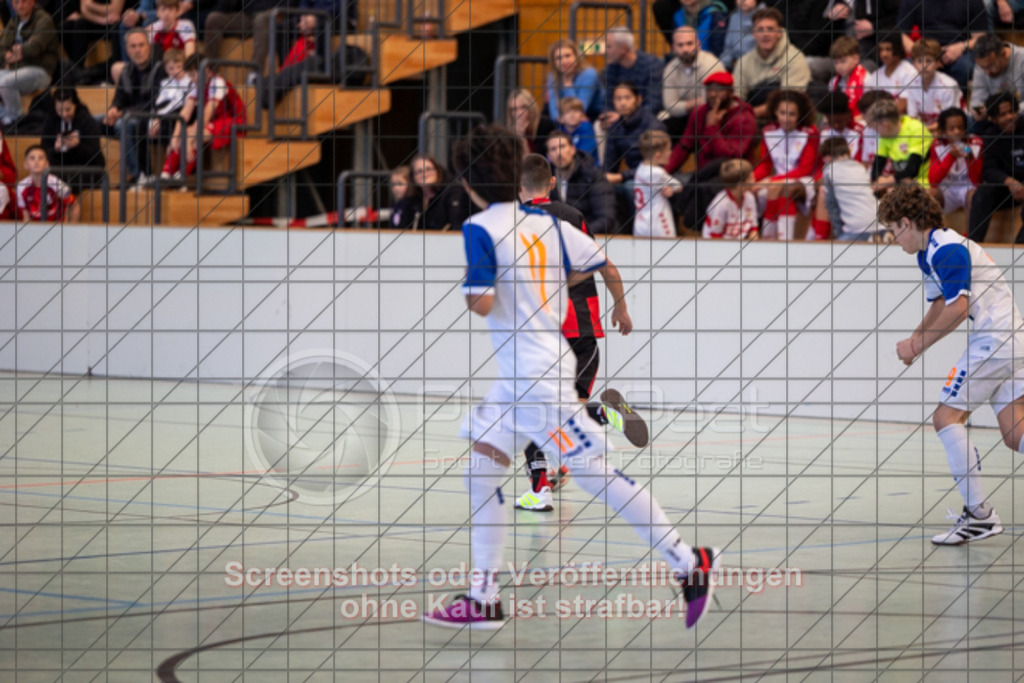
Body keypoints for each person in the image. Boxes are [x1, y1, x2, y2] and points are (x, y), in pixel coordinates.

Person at [421, 123, 720, 630]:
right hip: (528, 371)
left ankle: (688, 563)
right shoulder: (551, 226)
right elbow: (596, 264)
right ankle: (483, 595)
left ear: (468, 181)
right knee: (484, 467)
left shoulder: (480, 228)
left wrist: (478, 287)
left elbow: (483, 301)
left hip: (533, 377)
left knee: (591, 472)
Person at [881, 182, 1024, 545]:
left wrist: (918, 347)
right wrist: (915, 340)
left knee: (946, 418)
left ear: (908, 222)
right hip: (1012, 342)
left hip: (997, 342)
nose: (893, 239)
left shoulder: (947, 249)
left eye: (893, 229)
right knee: (1014, 432)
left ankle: (979, 516)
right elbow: (939, 305)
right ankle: (979, 516)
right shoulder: (928, 253)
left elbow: (958, 309)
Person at [513, 152, 649, 512]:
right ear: (553, 183)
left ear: (518, 186)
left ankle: (539, 490)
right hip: (585, 332)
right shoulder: (573, 217)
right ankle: (601, 418)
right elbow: (606, 267)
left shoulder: (514, 223)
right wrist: (620, 307)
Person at [664, 71, 759, 231]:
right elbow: (684, 145)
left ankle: (703, 232)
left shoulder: (744, 117)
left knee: (704, 188)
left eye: (719, 90)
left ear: (731, 92)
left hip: (734, 175)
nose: (713, 94)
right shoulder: (699, 113)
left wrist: (712, 127)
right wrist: (663, 173)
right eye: (709, 90)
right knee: (670, 186)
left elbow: (730, 156)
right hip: (704, 173)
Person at [160, 53, 246, 180]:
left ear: (205, 70)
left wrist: (190, 139)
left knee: (196, 135)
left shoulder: (218, 82)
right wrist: (175, 136)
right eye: (189, 75)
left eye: (193, 75)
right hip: (215, 120)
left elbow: (207, 113)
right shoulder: (197, 84)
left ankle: (182, 175)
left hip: (234, 121)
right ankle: (166, 173)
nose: (191, 79)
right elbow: (185, 113)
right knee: (183, 132)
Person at [752, 89, 820, 240]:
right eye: (782, 113)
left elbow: (805, 169)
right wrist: (750, 180)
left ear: (800, 114)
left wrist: (770, 181)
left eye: (792, 114)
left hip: (804, 180)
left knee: (783, 189)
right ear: (775, 112)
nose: (786, 118)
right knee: (751, 191)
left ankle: (785, 240)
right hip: (779, 179)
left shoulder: (810, 132)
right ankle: (764, 238)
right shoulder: (768, 131)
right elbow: (765, 165)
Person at [102, 27, 166, 184]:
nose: (138, 50)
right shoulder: (127, 71)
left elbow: (155, 101)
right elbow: (120, 97)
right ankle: (95, 178)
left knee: (125, 123)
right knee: (92, 121)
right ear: (127, 50)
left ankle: (139, 175)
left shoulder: (160, 69)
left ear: (149, 47)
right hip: (128, 116)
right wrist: (113, 109)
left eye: (141, 45)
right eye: (133, 46)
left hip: (151, 117)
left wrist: (123, 112)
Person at [732, 7, 811, 118]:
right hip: (749, 120)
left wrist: (749, 114)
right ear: (754, 34)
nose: (765, 34)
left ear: (779, 32)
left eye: (770, 29)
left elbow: (789, 102)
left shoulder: (795, 59)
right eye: (760, 29)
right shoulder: (744, 62)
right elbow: (737, 98)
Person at [967, 91, 1024, 243]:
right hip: (1008, 188)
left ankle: (1019, 249)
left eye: (1012, 112)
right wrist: (1009, 181)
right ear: (993, 119)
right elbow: (989, 170)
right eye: (1003, 114)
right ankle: (973, 246)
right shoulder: (990, 135)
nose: (1009, 117)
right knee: (982, 194)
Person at [896, 0, 987, 90]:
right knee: (905, 67)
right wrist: (920, 53)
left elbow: (980, 38)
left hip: (960, 51)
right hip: (926, 49)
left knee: (964, 67)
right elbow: (901, 34)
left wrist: (961, 47)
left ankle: (954, 102)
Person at [546, 131, 617, 235]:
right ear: (549, 156)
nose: (559, 153)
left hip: (593, 239)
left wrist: (577, 235)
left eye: (562, 146)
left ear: (573, 149)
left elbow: (606, 219)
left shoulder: (593, 176)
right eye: (553, 149)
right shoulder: (546, 180)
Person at [661, 26, 725, 141]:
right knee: (662, 127)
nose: (685, 49)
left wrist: (684, 105)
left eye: (689, 44)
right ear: (673, 48)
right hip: (684, 118)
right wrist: (694, 103)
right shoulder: (670, 68)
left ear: (698, 44)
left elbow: (710, 103)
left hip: (712, 116)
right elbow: (670, 106)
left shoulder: (710, 65)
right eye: (680, 45)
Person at [0, 0, 58, 126]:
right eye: (16, 2)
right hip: (17, 68)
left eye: (24, 2)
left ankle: (17, 120)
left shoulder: (44, 20)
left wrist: (19, 50)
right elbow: (2, 49)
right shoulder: (13, 22)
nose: (20, 5)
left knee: (5, 83)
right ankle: (4, 116)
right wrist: (9, 54)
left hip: (40, 70)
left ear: (32, 2)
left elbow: (35, 48)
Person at [817, 137, 881, 241]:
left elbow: (832, 206)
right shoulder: (860, 167)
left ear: (828, 158)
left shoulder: (829, 171)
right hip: (881, 224)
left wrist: (839, 233)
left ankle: (819, 238)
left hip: (857, 229)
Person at [40, 87, 105, 189]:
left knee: (69, 179)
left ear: (75, 105)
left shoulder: (87, 121)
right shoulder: (51, 121)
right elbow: (44, 150)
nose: (64, 114)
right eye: (60, 110)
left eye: (68, 109)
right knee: (45, 175)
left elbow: (96, 157)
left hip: (84, 168)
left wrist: (78, 145)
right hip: (59, 168)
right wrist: (56, 149)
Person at [603, 81, 666, 184]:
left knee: (629, 185)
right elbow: (609, 164)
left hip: (655, 177)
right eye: (618, 99)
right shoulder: (615, 128)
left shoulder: (654, 126)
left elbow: (655, 166)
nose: (623, 103)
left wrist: (622, 176)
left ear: (638, 99)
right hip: (632, 176)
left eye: (627, 98)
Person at [865, 98, 932, 195]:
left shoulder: (916, 130)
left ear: (885, 125)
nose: (876, 132)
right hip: (901, 181)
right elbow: (877, 166)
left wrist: (887, 182)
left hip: (925, 181)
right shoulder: (886, 135)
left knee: (892, 192)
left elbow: (912, 170)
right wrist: (879, 180)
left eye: (875, 128)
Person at [927, 107, 982, 219]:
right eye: (951, 129)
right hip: (947, 190)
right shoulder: (937, 145)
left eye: (960, 127)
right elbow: (933, 181)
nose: (957, 131)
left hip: (968, 188)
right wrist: (950, 157)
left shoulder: (976, 142)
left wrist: (970, 157)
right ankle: (933, 234)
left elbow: (977, 181)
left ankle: (969, 235)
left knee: (975, 197)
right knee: (929, 195)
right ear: (943, 131)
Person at [600, 27, 663, 118]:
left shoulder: (652, 66)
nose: (605, 51)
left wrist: (626, 118)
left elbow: (654, 104)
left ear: (623, 49)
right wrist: (608, 116)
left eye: (609, 47)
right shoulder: (610, 69)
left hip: (645, 118)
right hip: (618, 118)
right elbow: (607, 102)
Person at [400, 154, 475, 231]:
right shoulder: (412, 201)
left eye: (428, 169)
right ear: (413, 177)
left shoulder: (453, 193)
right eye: (419, 171)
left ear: (437, 171)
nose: (424, 174)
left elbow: (456, 225)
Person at [906, 39, 963, 132]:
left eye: (928, 61)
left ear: (937, 63)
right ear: (913, 64)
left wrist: (923, 130)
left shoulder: (949, 86)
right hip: (923, 131)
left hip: (950, 130)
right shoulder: (911, 82)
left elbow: (952, 121)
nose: (924, 66)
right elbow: (912, 117)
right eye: (919, 61)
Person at [633, 130, 682, 238]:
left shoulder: (640, 168)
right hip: (658, 223)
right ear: (658, 155)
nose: (671, 152)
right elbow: (678, 186)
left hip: (641, 223)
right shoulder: (658, 173)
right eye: (669, 149)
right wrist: (671, 189)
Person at [969, 34, 1024, 123]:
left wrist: (1009, 112)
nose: (987, 72)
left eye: (991, 66)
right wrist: (978, 110)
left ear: (1004, 54)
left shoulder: (1021, 59)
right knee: (971, 121)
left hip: (1019, 113)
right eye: (983, 68)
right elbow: (977, 99)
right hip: (996, 117)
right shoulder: (982, 65)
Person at [16, 145, 78, 222]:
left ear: (47, 164)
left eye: (41, 158)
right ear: (26, 165)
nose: (36, 161)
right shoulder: (21, 186)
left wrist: (70, 229)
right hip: (34, 230)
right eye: (32, 158)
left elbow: (75, 205)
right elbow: (25, 216)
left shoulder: (56, 183)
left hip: (57, 229)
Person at [545, 38, 600, 122]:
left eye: (568, 56)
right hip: (564, 119)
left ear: (576, 56)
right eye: (558, 58)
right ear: (554, 62)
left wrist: (567, 84)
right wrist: (559, 119)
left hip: (592, 117)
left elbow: (580, 109)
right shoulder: (552, 77)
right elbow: (553, 107)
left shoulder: (589, 74)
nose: (564, 61)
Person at [703, 158, 758, 239]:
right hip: (718, 245)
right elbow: (715, 237)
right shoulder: (721, 204)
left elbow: (754, 229)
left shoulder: (750, 198)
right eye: (750, 178)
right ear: (740, 184)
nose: (754, 180)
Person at [865, 34, 916, 113]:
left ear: (898, 49)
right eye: (881, 50)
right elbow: (867, 105)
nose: (883, 54)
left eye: (888, 49)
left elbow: (902, 107)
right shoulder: (875, 76)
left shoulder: (910, 73)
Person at [828, 36, 868, 119]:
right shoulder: (834, 82)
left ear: (856, 58)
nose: (839, 66)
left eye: (843, 61)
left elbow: (870, 109)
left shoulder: (867, 79)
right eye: (836, 63)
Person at [719, 0, 758, 72]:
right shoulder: (734, 17)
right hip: (734, 66)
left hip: (756, 67)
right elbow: (728, 47)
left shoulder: (765, 17)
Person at [387, 164, 418, 229]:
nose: (396, 188)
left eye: (400, 184)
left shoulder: (414, 205)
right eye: (393, 184)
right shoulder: (398, 204)